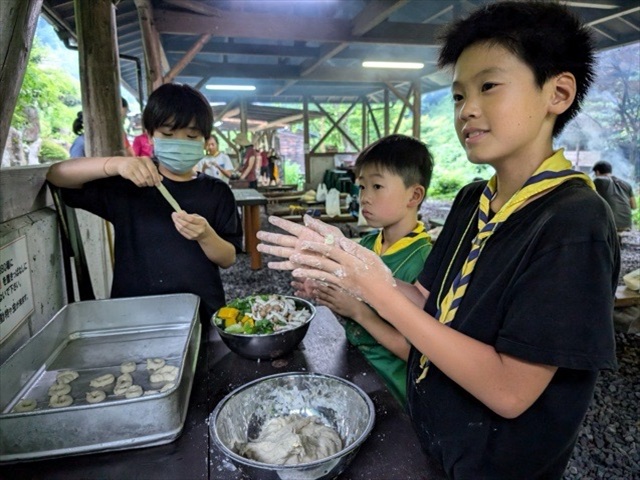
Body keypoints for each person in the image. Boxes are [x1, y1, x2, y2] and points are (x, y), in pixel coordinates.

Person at [256, 2, 619, 478]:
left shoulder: (575, 221)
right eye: (457, 95)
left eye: (489, 86)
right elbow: (427, 302)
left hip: (498, 462)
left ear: (558, 92)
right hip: (437, 434)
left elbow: (510, 391)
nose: (467, 109)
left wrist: (378, 290)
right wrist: (351, 267)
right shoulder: (474, 200)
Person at [47, 83, 242, 327]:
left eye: (191, 136)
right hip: (134, 318)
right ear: (150, 136)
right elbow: (56, 174)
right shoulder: (128, 185)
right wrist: (116, 165)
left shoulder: (218, 192)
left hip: (202, 317)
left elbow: (228, 258)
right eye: (168, 135)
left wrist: (205, 235)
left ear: (204, 140)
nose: (180, 142)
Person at [304, 134, 433, 405]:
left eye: (376, 186)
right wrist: (325, 288)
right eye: (362, 187)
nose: (365, 198)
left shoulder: (424, 261)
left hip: (393, 387)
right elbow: (348, 294)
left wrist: (358, 312)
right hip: (355, 362)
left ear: (415, 194)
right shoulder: (366, 244)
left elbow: (416, 353)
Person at [592, 160, 637, 232]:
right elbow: (634, 206)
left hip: (609, 226)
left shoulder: (598, 181)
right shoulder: (626, 184)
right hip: (626, 225)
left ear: (597, 172)